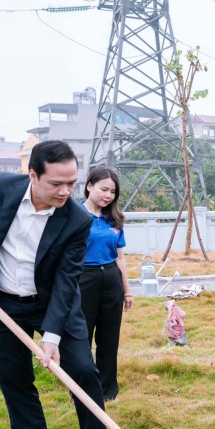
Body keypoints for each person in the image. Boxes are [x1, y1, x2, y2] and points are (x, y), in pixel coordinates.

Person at [0, 140, 126, 429]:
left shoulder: (77, 220)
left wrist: (53, 337)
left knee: (83, 371)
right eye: (56, 183)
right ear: (32, 175)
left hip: (52, 305)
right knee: (14, 379)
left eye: (71, 183)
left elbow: (66, 280)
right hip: (0, 301)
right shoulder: (0, 187)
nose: (65, 192)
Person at [79, 167, 133, 401]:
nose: (108, 195)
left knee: (109, 338)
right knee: (82, 337)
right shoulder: (74, 215)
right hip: (83, 279)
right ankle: (81, 390)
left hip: (111, 278)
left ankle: (108, 390)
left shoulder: (114, 219)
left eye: (112, 191)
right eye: (103, 189)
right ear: (89, 186)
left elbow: (120, 257)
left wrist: (127, 291)